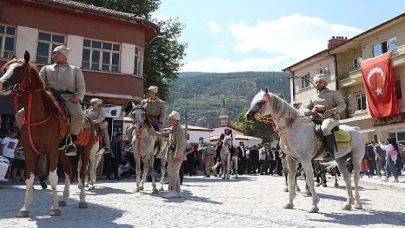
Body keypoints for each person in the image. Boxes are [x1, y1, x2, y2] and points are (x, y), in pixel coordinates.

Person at [15, 45, 85, 156]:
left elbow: (81, 87)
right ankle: (25, 139)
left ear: (65, 55)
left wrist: (78, 97)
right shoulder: (46, 69)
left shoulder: (75, 70)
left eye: (58, 53)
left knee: (79, 115)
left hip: (67, 98)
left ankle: (71, 141)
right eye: (54, 53)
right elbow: (39, 84)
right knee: (20, 114)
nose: (55, 55)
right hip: (48, 97)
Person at [303, 74, 346, 159]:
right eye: (316, 82)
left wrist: (333, 111)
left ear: (326, 83)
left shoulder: (334, 93)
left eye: (320, 82)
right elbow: (305, 108)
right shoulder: (313, 97)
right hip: (316, 118)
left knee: (325, 128)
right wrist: (310, 112)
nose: (318, 84)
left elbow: (342, 105)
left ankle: (330, 151)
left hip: (331, 118)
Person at [149, 111, 185, 198]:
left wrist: (176, 156)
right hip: (171, 154)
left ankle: (172, 190)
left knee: (172, 172)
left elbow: (180, 144)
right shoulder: (173, 129)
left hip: (175, 155)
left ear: (175, 120)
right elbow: (162, 134)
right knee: (175, 173)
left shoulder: (179, 130)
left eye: (170, 119)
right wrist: (152, 132)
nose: (168, 120)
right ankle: (177, 191)